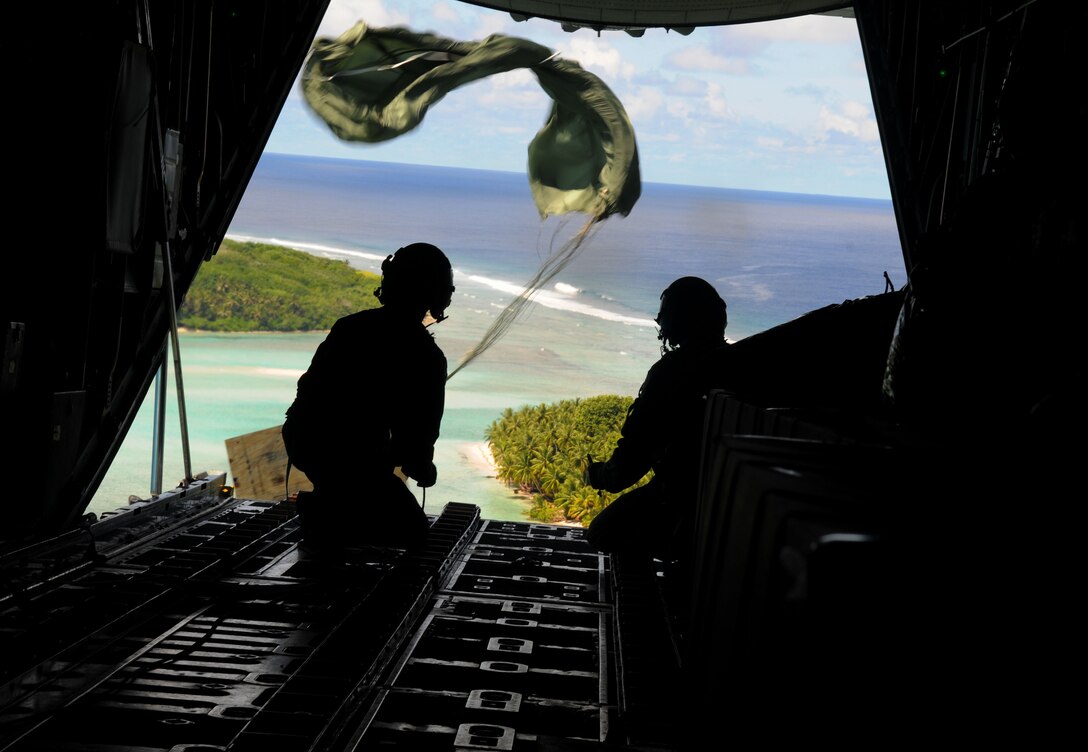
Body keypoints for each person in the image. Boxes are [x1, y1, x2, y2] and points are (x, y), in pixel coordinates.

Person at [282, 242, 455, 553]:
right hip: (358, 469)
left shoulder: (348, 328)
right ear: (439, 294)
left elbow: (308, 397)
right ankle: (331, 515)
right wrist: (423, 468)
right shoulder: (426, 357)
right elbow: (417, 444)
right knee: (414, 536)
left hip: (307, 449)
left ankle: (324, 511)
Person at [584, 276, 730, 563]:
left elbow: (631, 461)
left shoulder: (671, 372)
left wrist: (598, 475)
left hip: (680, 498)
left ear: (677, 322)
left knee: (602, 533)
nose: (660, 324)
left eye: (663, 317)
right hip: (730, 498)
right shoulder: (737, 365)